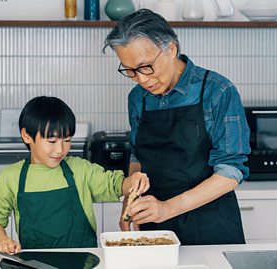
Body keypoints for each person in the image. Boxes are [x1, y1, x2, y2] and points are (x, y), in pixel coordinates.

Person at [103, 9, 251, 245]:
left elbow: (231, 172)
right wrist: (129, 202)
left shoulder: (217, 91)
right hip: (152, 225)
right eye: (129, 71)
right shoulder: (137, 98)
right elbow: (138, 156)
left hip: (210, 225)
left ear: (171, 49)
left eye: (146, 67)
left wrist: (168, 208)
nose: (141, 80)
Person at [0, 96, 150, 254]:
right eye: (52, 141)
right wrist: (3, 241)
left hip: (84, 262)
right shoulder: (11, 177)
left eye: (67, 140)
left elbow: (115, 185)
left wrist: (133, 182)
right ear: (26, 136)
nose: (60, 149)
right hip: (35, 262)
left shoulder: (80, 169)